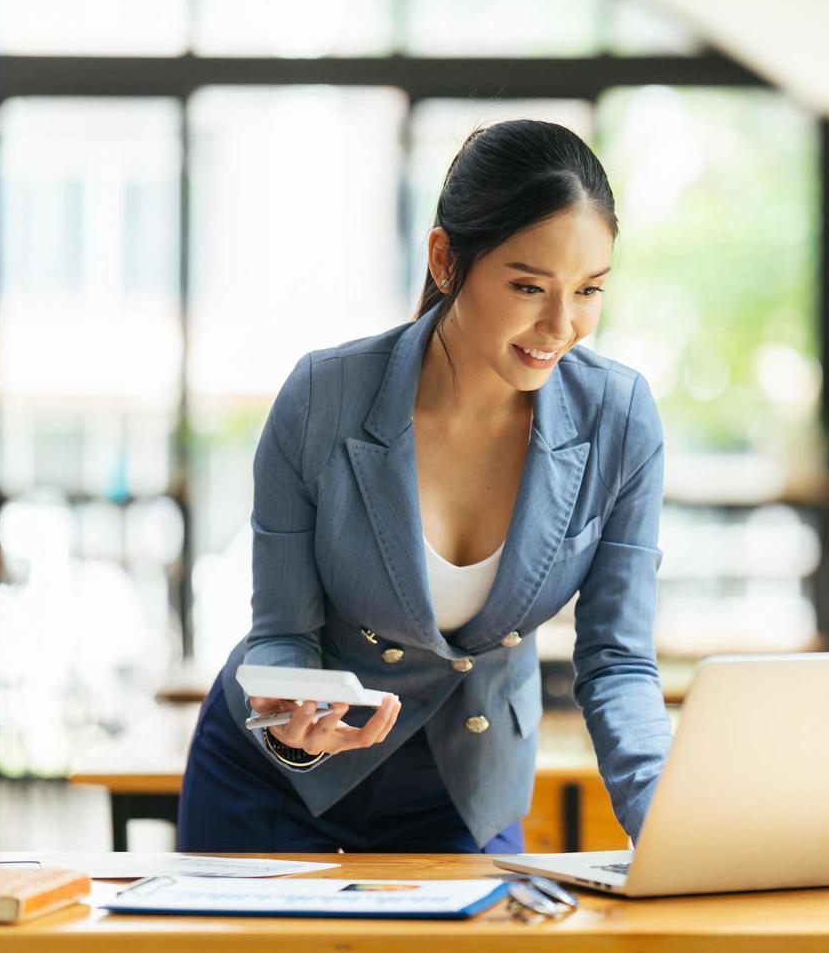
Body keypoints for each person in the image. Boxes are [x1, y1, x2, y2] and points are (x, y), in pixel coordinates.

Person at [176, 119, 674, 854]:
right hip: (276, 785)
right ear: (446, 259)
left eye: (590, 289)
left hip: (463, 791)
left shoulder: (619, 418)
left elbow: (618, 659)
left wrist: (667, 827)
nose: (562, 325)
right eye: (529, 285)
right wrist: (294, 719)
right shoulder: (322, 398)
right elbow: (284, 629)